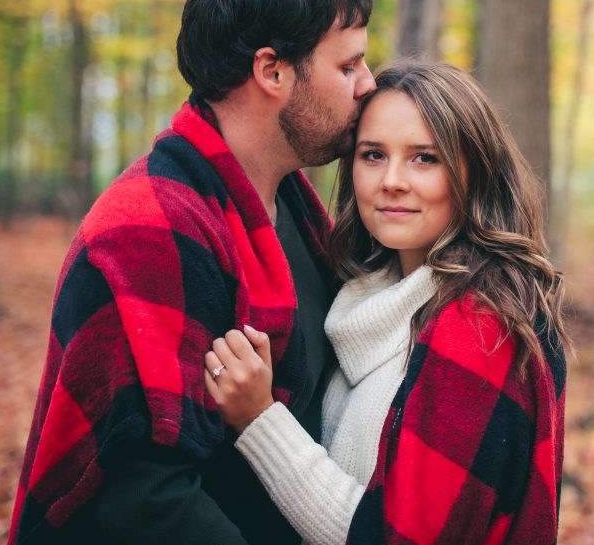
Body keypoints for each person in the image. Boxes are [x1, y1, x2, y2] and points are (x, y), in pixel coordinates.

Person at [7, 0, 377, 545]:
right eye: (347, 66)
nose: (367, 83)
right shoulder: (148, 231)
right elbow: (149, 506)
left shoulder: (289, 208)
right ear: (272, 70)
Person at [204, 61, 569, 545]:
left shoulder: (479, 324)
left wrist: (260, 420)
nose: (392, 180)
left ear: (474, 172)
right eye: (373, 155)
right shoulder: (368, 297)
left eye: (424, 158)